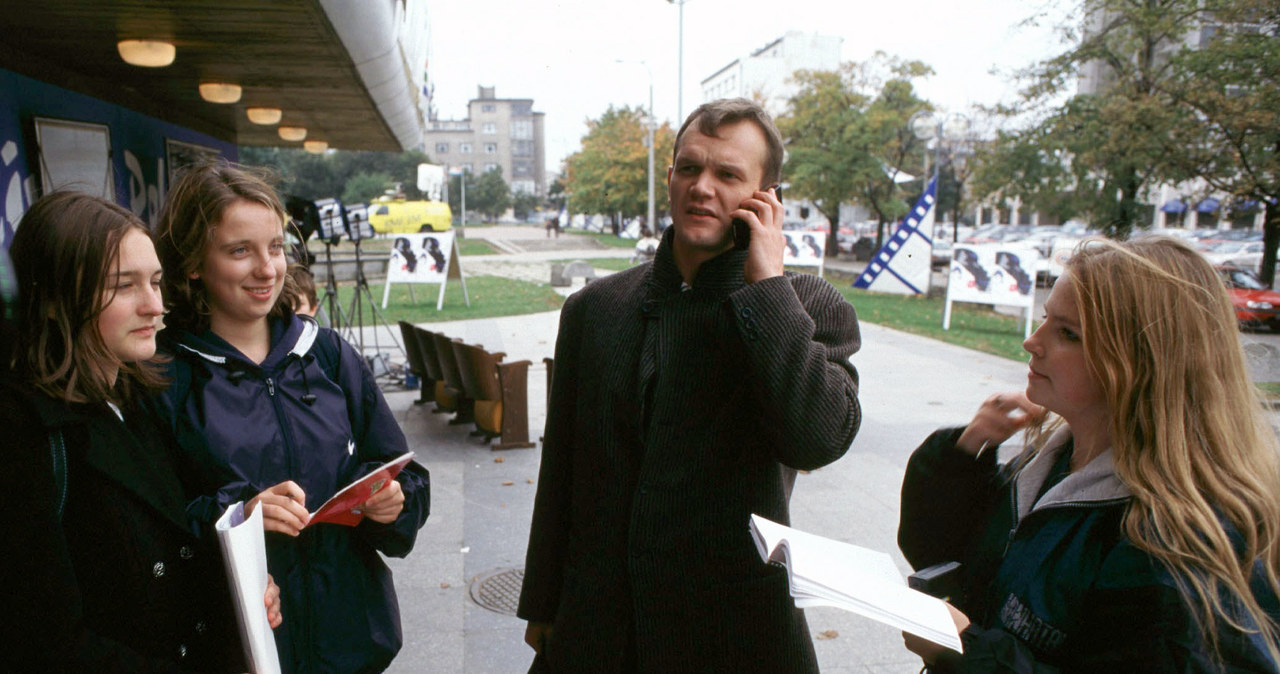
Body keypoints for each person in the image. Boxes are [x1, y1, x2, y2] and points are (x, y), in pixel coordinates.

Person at [517, 98, 863, 672]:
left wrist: (767, 291)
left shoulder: (803, 307)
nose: (702, 187)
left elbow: (818, 439)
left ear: (767, 198)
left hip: (732, 634)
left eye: (728, 175)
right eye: (689, 168)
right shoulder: (595, 309)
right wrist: (544, 602)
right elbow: (563, 471)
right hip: (600, 628)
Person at [898, 236, 1280, 672]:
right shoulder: (1045, 467)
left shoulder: (1174, 543)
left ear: (1140, 364)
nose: (1032, 342)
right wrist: (963, 454)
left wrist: (964, 651)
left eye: (1068, 333)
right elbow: (940, 552)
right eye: (1045, 320)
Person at [150, 161, 431, 674]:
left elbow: (402, 471)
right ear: (193, 263)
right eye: (240, 251)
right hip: (244, 648)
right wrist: (239, 517)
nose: (268, 269)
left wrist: (395, 502)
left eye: (276, 247)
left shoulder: (326, 354)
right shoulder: (165, 377)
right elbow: (153, 531)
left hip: (351, 645)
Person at [0, 191, 282, 672]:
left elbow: (171, 547)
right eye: (123, 286)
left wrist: (239, 582)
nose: (155, 306)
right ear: (53, 300)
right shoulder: (23, 436)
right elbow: (46, 642)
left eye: (155, 281)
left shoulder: (137, 398)